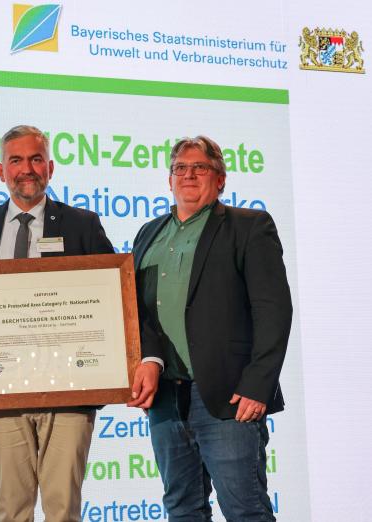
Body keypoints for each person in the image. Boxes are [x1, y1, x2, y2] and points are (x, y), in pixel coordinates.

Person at [0, 125, 114, 522]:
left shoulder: (82, 225)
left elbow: (112, 296)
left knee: (63, 510)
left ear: (51, 168)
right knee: (12, 511)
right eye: (17, 160)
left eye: (36, 159)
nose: (27, 169)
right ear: (0, 170)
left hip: (69, 390)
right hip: (0, 389)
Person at [127, 136, 292, 521]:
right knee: (182, 508)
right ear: (169, 180)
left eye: (200, 167)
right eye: (179, 168)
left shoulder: (249, 227)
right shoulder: (147, 234)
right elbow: (137, 311)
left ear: (220, 179)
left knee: (245, 508)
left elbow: (273, 309)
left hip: (229, 397)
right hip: (167, 398)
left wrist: (258, 383)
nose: (188, 175)